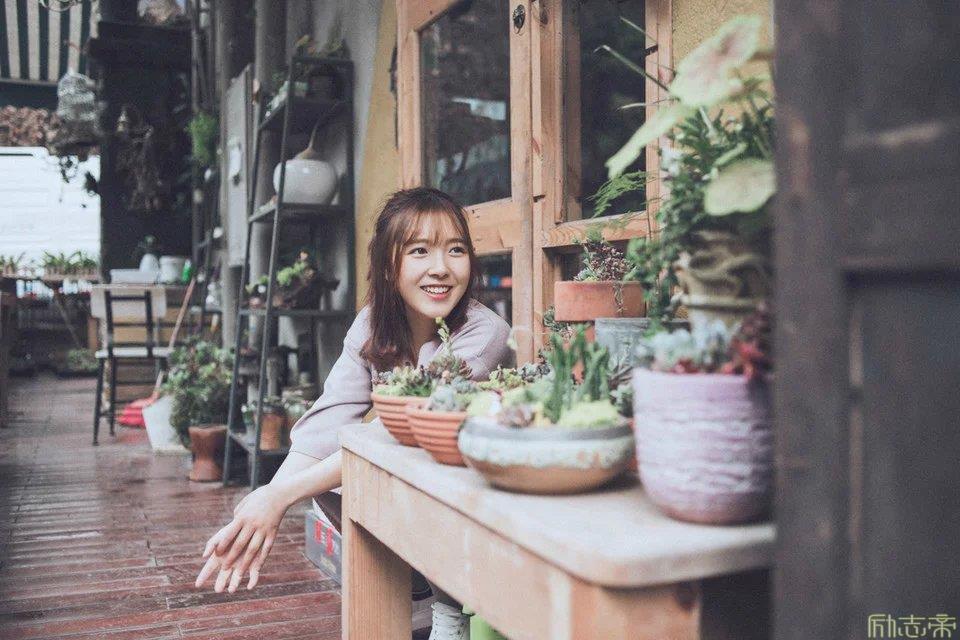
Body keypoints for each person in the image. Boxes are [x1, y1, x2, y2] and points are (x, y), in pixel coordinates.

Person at [195, 187, 513, 639]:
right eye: (420, 251)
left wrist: (280, 498)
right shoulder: (371, 324)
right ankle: (417, 588)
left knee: (381, 463)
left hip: (478, 499)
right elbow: (326, 424)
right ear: (388, 265)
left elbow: (401, 429)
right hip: (418, 489)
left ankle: (449, 608)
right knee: (331, 474)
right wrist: (267, 499)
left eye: (456, 250)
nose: (441, 267)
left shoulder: (484, 332)